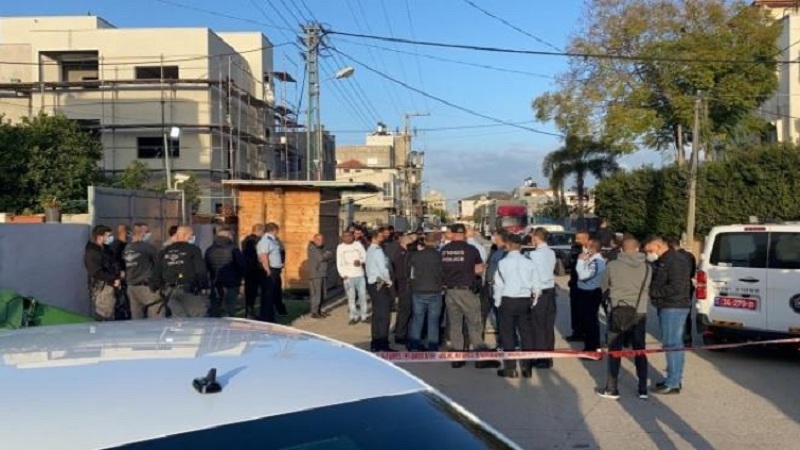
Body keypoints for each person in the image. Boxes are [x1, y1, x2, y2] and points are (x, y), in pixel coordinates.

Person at [597, 235, 652, 400]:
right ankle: (643, 388)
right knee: (639, 349)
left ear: (621, 249)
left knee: (615, 349)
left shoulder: (612, 265)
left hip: (617, 311)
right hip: (639, 311)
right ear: (638, 249)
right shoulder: (647, 267)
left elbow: (604, 285)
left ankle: (612, 388)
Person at [440, 223, 498, 369]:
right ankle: (480, 357)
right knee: (474, 324)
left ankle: (457, 358)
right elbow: (479, 269)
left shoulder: (444, 250)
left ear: (452, 234)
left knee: (455, 324)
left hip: (450, 291)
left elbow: (440, 270)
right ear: (465, 234)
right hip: (467, 291)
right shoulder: (471, 250)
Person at [645, 236, 692, 395]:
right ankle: (672, 378)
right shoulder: (664, 259)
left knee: (672, 345)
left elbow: (676, 287)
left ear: (658, 246)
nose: (649, 254)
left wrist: (654, 292)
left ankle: (673, 383)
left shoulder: (675, 261)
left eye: (650, 250)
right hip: (667, 305)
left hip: (674, 306)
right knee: (671, 344)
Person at [493, 233, 538, 378]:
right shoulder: (529, 262)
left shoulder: (503, 263)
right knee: (526, 334)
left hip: (508, 300)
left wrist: (497, 302)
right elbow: (536, 284)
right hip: (524, 300)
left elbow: (498, 285)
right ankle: (527, 367)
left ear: (508, 245)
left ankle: (510, 368)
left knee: (508, 335)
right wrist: (534, 301)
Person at [150, 225, 207, 318]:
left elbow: (157, 271)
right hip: (189, 290)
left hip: (170, 291)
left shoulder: (165, 251)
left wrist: (155, 286)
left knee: (178, 319)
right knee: (198, 318)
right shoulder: (193, 249)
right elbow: (200, 270)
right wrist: (203, 286)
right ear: (185, 235)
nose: (192, 237)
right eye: (191, 235)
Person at [408, 232, 444, 351]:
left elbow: (411, 273)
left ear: (425, 241)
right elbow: (442, 273)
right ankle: (433, 346)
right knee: (433, 320)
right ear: (436, 242)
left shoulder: (416, 255)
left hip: (418, 289)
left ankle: (414, 345)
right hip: (435, 290)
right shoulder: (439, 256)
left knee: (417, 319)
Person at [528, 227, 557, 369]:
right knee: (548, 325)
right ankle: (549, 356)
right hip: (550, 290)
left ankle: (540, 357)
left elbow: (533, 275)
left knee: (538, 326)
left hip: (539, 291)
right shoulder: (551, 252)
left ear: (536, 237)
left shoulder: (534, 255)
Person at [123, 223, 163, 319]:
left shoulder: (127, 248)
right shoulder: (147, 248)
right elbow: (159, 265)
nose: (149, 234)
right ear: (142, 233)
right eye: (147, 231)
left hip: (131, 286)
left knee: (136, 317)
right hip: (147, 287)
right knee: (156, 314)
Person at [575, 238, 607, 352]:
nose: (584, 248)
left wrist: (580, 261)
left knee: (591, 322)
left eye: (587, 246)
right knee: (587, 321)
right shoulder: (591, 259)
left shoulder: (597, 262)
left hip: (591, 293)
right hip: (585, 292)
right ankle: (589, 345)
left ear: (592, 249)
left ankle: (593, 348)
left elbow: (583, 276)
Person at [205, 226, 245, 317]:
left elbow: (206, 266)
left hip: (215, 281)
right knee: (230, 306)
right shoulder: (233, 249)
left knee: (215, 305)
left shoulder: (209, 249)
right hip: (232, 282)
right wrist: (242, 278)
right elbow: (241, 265)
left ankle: (214, 321)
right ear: (229, 236)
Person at [84, 225, 121, 321]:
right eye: (108, 236)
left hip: (110, 285)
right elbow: (96, 271)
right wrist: (113, 278)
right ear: (100, 236)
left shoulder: (106, 249)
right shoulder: (93, 251)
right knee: (105, 314)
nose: (110, 238)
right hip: (102, 287)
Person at [366, 231, 395, 352]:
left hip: (372, 283)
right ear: (375, 238)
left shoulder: (370, 250)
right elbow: (383, 269)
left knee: (377, 314)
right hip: (379, 282)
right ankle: (383, 343)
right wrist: (388, 281)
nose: (383, 238)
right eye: (381, 236)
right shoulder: (378, 251)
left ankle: (375, 341)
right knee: (384, 315)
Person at [667, 236, 697, 345]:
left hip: (674, 288)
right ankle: (687, 338)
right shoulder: (690, 256)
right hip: (688, 288)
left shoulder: (671, 257)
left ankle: (675, 338)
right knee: (686, 313)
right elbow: (693, 272)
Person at [337, 230, 369, 325]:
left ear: (353, 236)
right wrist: (343, 274)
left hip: (359, 275)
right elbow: (339, 262)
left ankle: (364, 316)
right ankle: (353, 316)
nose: (347, 237)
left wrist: (360, 261)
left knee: (363, 296)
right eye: (345, 236)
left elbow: (365, 257)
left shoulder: (358, 245)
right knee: (351, 298)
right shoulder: (340, 247)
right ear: (342, 237)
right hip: (348, 277)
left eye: (349, 235)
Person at [257, 222, 285, 322]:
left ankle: (270, 315)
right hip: (270, 270)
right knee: (268, 294)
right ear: (274, 230)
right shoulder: (265, 240)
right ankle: (266, 317)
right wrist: (267, 269)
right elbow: (263, 256)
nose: (278, 233)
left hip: (275, 270)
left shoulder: (272, 240)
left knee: (272, 294)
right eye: (277, 231)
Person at [566, 230, 591, 342]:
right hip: (575, 283)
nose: (576, 241)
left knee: (586, 310)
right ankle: (577, 332)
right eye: (576, 238)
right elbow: (570, 264)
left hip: (586, 285)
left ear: (586, 239)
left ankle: (587, 332)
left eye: (579, 238)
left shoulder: (591, 250)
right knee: (575, 309)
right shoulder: (574, 249)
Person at [482, 231, 508, 340]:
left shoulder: (504, 252)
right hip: (489, 286)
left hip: (496, 287)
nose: (494, 238)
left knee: (500, 315)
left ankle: (503, 343)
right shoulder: (495, 250)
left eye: (496, 237)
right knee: (483, 312)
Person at [391, 235, 413, 345]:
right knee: (404, 311)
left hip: (403, 286)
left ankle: (400, 332)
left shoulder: (400, 252)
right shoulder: (402, 254)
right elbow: (402, 272)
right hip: (404, 286)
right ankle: (400, 335)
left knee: (403, 311)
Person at [241, 224, 265, 318]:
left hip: (247, 268)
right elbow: (258, 255)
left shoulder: (245, 240)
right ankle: (251, 312)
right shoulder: (255, 241)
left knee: (249, 291)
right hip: (255, 268)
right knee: (254, 291)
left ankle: (249, 311)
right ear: (259, 231)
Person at [307, 234, 334, 318]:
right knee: (316, 294)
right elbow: (321, 258)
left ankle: (318, 310)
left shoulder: (321, 248)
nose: (320, 241)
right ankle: (314, 312)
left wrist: (327, 254)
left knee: (323, 294)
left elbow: (330, 254)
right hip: (316, 274)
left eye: (322, 240)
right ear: (314, 240)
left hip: (322, 273)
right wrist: (327, 254)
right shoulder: (312, 248)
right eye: (318, 239)